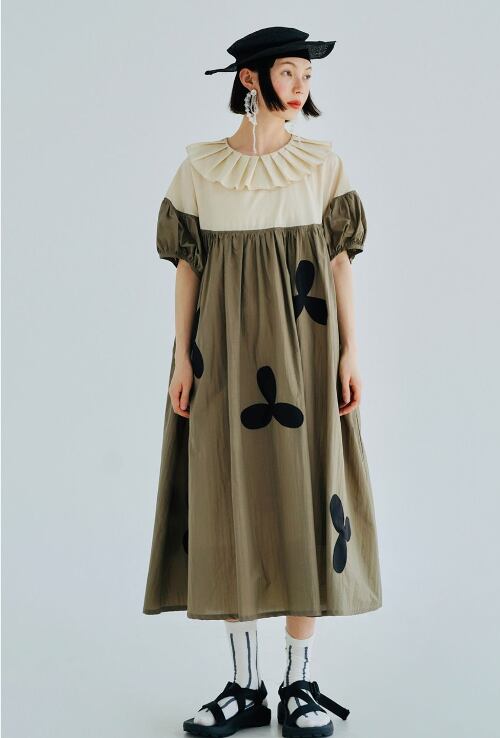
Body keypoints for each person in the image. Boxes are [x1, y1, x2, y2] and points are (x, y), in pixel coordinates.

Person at [143, 26, 383, 738]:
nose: (301, 85)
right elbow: (188, 267)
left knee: (307, 495)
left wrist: (351, 351)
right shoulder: (200, 170)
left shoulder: (321, 166)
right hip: (221, 358)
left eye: (306, 73)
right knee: (231, 497)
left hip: (307, 354)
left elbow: (339, 262)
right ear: (250, 79)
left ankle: (299, 681)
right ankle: (245, 685)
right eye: (288, 72)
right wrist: (182, 357)